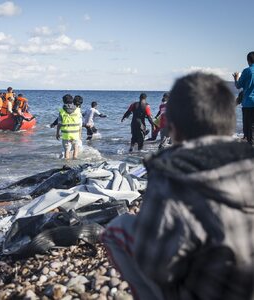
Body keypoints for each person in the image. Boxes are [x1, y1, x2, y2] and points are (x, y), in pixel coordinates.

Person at [102, 72, 254, 300]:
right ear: (230, 121)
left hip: (202, 291)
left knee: (117, 228)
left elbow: (156, 266)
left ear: (172, 127)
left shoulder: (170, 175)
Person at [233, 51, 254, 145]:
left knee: (248, 128)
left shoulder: (247, 71)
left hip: (248, 103)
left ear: (248, 60)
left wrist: (236, 78)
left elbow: (238, 86)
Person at [56, 95, 82, 159]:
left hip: (66, 134)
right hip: (75, 133)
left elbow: (59, 123)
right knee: (76, 148)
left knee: (67, 150)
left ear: (63, 101)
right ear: (72, 101)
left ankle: (67, 164)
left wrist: (57, 133)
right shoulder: (78, 110)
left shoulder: (61, 111)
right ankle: (75, 161)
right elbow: (80, 124)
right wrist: (80, 134)